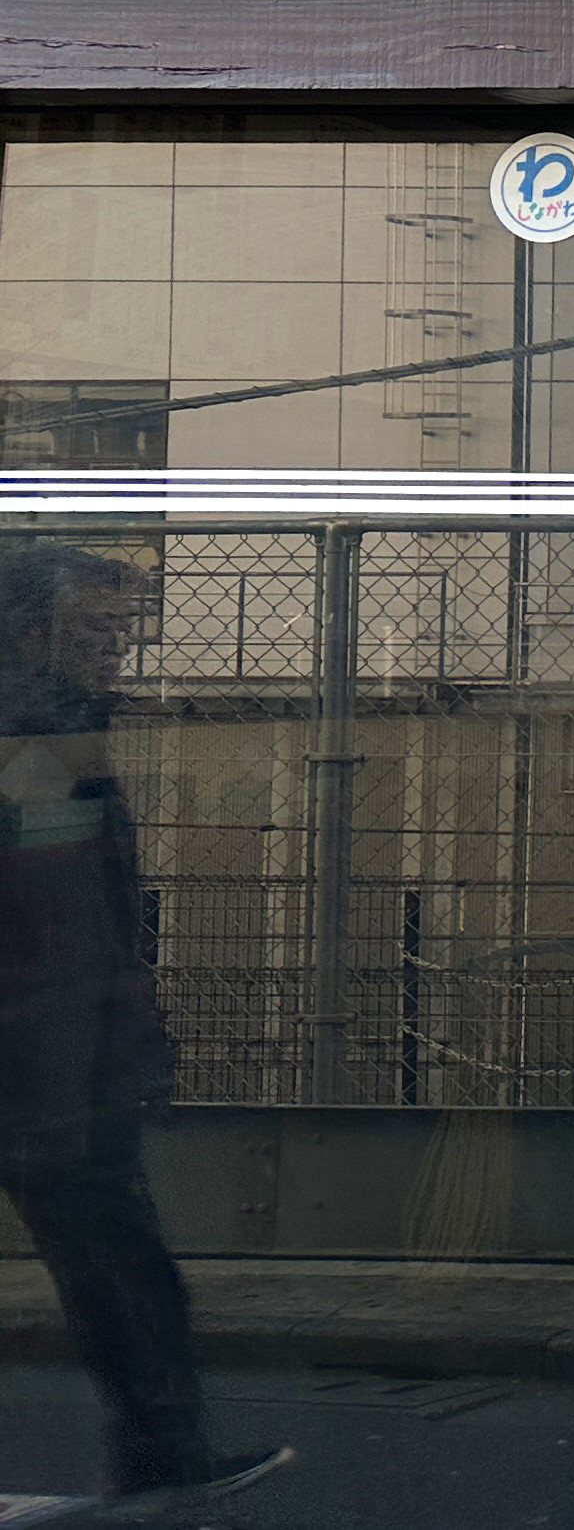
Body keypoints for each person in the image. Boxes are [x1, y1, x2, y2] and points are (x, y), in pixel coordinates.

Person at [0, 541, 284, 1505]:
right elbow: (63, 925)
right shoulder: (33, 740)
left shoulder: (55, 736)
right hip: (47, 1064)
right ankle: (163, 1460)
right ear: (35, 632)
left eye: (121, 629)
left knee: (120, 1269)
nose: (116, 650)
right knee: (122, 1269)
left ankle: (163, 1457)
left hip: (62, 1059)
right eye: (97, 629)